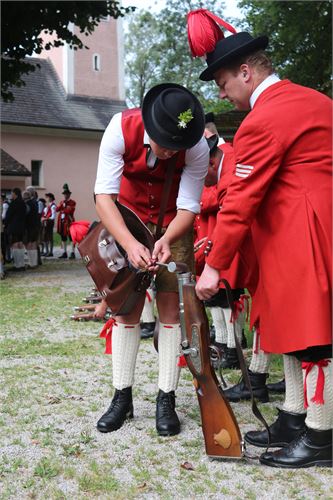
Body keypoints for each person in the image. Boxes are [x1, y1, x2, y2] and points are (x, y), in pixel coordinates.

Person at [189, 15, 332, 468]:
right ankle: (294, 416)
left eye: (223, 79)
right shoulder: (312, 99)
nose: (220, 91)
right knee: (289, 327)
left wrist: (215, 266)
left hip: (301, 231)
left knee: (313, 338)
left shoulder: (262, 119)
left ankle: (322, 434)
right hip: (306, 227)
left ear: (247, 72)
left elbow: (241, 200)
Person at [94, 83, 208, 436]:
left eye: (180, 147)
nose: (173, 153)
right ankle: (121, 397)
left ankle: (166, 397)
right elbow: (103, 196)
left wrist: (168, 239)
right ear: (149, 126)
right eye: (166, 145)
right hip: (125, 220)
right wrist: (129, 244)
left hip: (174, 222)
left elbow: (189, 206)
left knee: (170, 310)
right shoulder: (119, 128)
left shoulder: (198, 146)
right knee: (126, 308)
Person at [4, 188, 26, 271]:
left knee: (15, 245)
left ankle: (17, 265)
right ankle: (22, 264)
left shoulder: (14, 203)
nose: (11, 195)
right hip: (21, 226)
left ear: (15, 194)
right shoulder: (23, 203)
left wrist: (5, 223)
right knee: (20, 244)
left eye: (12, 193)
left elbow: (8, 215)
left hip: (14, 226)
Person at [56, 184, 76, 259]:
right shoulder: (62, 202)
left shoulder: (72, 202)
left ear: (69, 194)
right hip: (62, 222)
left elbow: (69, 210)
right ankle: (64, 252)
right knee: (63, 237)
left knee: (71, 237)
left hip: (69, 222)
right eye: (64, 194)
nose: (65, 196)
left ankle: (73, 252)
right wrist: (62, 205)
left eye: (67, 194)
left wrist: (63, 207)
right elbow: (57, 209)